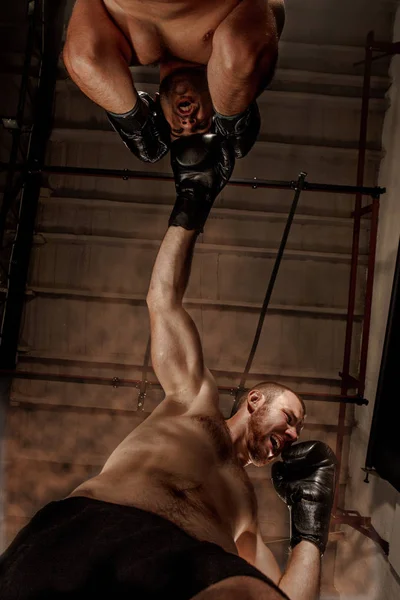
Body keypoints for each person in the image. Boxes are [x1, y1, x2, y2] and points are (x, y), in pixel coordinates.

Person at [0, 135, 336, 599]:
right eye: (291, 416)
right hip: (93, 530)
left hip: (181, 571)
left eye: (298, 429)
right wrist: (191, 205)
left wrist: (311, 524)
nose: (295, 434)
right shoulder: (194, 400)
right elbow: (163, 301)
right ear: (255, 399)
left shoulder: (247, 513)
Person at [63, 0, 286, 163]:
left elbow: (84, 60)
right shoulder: (235, 33)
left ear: (157, 106)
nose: (188, 123)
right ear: (216, 105)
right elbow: (241, 59)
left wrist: (136, 126)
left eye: (178, 130)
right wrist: (230, 124)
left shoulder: (125, 44)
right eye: (201, 125)